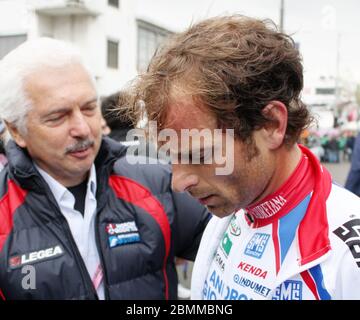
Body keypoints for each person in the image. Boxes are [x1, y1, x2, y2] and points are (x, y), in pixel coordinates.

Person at [131, 15, 360, 300]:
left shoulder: (348, 256)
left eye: (200, 154)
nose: (178, 182)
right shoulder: (231, 212)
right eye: (172, 157)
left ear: (273, 125)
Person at [0, 38, 210, 300]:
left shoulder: (157, 183)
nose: (83, 129)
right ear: (16, 130)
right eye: (57, 117)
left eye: (89, 108)